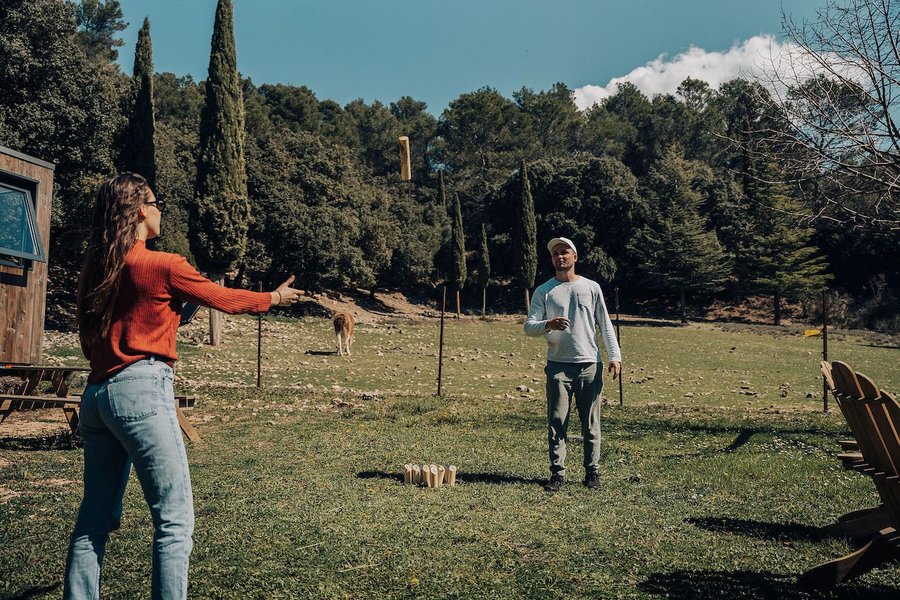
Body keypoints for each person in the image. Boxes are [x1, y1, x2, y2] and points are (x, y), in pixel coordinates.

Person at [64, 173, 302, 600]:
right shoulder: (162, 264)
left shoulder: (98, 267)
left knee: (94, 518)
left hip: (96, 395)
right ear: (139, 210)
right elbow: (226, 301)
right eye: (156, 204)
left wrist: (169, 317)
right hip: (140, 391)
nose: (160, 211)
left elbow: (95, 338)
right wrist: (275, 299)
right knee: (174, 520)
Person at [524, 236, 621, 492]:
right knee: (557, 421)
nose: (560, 256)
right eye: (556, 253)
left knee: (591, 422)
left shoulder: (591, 287)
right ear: (552, 259)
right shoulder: (544, 291)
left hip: (590, 364)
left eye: (565, 252)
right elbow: (529, 326)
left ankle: (592, 472)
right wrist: (548, 324)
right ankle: (558, 474)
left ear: (575, 257)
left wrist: (615, 356)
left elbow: (604, 324)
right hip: (558, 365)